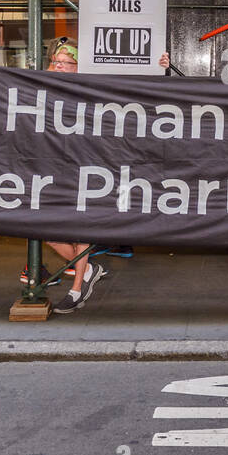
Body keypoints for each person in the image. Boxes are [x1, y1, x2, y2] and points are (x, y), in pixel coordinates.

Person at [21, 38, 171, 312]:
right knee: (43, 229)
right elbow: (8, 89)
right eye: (57, 62)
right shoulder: (40, 87)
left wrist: (159, 69)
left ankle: (77, 288)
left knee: (80, 230)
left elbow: (135, 94)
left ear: (79, 67)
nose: (62, 67)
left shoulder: (90, 88)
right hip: (52, 169)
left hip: (86, 167)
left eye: (68, 63)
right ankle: (88, 269)